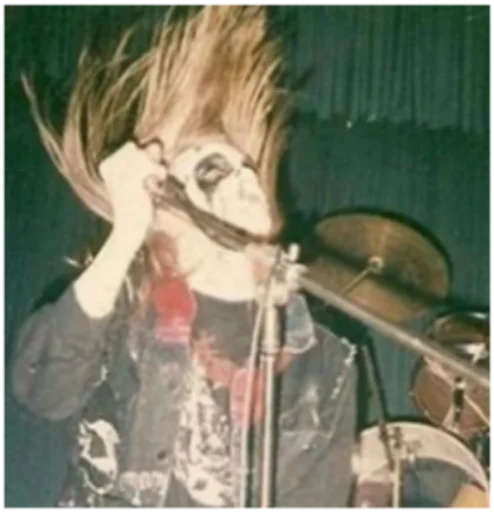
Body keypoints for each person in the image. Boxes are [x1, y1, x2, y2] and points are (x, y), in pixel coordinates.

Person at [11, 4, 357, 510]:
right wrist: (126, 233)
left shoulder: (323, 362)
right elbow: (42, 388)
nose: (243, 177)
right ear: (166, 206)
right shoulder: (117, 309)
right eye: (212, 169)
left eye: (246, 166)